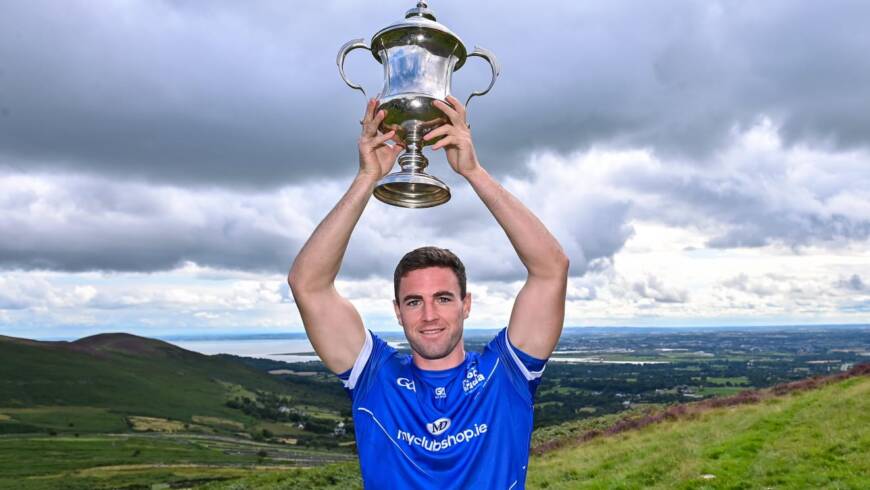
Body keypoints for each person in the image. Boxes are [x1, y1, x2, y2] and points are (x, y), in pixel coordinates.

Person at [288, 95, 569, 489]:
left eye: (443, 298)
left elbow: (551, 270)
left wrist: (473, 171)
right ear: (398, 312)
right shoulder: (374, 376)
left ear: (466, 305)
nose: (430, 315)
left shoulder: (506, 374)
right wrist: (367, 178)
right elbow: (308, 284)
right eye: (414, 302)